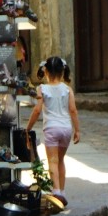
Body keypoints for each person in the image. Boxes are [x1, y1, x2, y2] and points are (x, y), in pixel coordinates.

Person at [25, 56, 80, 204]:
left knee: (53, 161)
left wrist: (28, 127)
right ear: (62, 72)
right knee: (61, 160)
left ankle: (55, 192)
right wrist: (77, 130)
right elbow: (73, 110)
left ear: (46, 71)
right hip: (66, 129)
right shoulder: (68, 90)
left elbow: (37, 111)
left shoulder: (42, 89)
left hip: (51, 129)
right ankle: (62, 191)